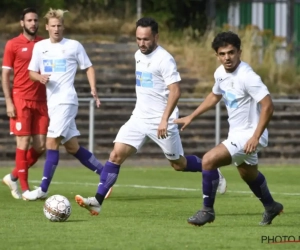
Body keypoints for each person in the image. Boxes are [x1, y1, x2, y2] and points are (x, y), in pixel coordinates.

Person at [74, 17, 227, 216]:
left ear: (156, 37)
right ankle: (97, 201)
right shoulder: (138, 54)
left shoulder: (165, 59)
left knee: (178, 164)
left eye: (146, 39)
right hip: (139, 118)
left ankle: (211, 168)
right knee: (115, 155)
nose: (141, 43)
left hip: (163, 121)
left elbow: (175, 91)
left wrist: (164, 119)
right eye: (138, 39)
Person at [174, 31, 283, 226]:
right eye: (222, 54)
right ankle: (271, 206)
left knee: (208, 160)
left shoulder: (248, 76)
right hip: (238, 133)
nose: (227, 58)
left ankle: (207, 210)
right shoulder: (220, 73)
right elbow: (215, 96)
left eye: (231, 52)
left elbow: (268, 105)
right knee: (247, 174)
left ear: (239, 52)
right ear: (217, 55)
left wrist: (255, 137)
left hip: (250, 133)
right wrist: (191, 116)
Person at [22, 8, 112, 201]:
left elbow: (89, 67)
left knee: (51, 142)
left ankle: (43, 189)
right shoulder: (40, 47)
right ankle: (106, 175)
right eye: (53, 26)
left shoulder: (73, 46)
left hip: (66, 101)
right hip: (53, 104)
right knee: (72, 147)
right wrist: (40, 77)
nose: (56, 29)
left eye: (59, 26)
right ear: (47, 27)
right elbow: (31, 72)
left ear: (64, 27)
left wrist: (93, 88)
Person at [1, 8, 48, 199]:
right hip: (21, 100)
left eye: (35, 20)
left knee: (41, 146)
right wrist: (9, 102)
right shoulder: (13, 44)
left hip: (41, 101)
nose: (33, 23)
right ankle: (25, 188)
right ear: (22, 23)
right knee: (23, 142)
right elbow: (5, 75)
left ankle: (13, 176)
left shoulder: (44, 44)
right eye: (29, 20)